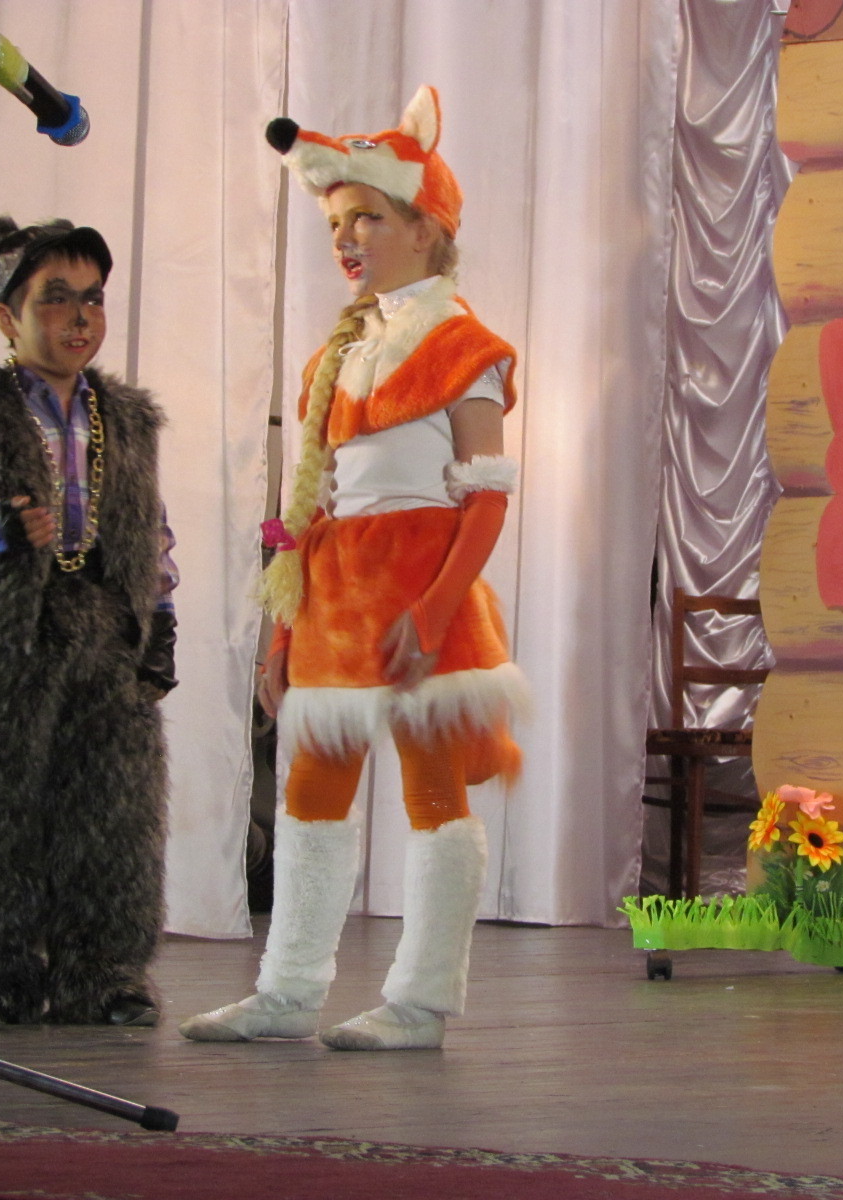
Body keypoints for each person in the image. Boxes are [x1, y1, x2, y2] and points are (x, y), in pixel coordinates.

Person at [181, 85, 526, 1052]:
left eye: (368, 216)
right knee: (310, 790)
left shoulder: (465, 349)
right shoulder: (335, 356)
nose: (348, 237)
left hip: (422, 587)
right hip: (337, 596)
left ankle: (420, 1004)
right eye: (337, 222)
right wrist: (280, 633)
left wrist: (438, 608)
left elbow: (486, 498)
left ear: (426, 227)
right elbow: (309, 506)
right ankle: (289, 991)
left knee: (432, 791)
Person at [0, 215, 176, 1028]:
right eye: (56, 298)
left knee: (112, 809)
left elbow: (151, 532)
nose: (80, 317)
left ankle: (106, 972)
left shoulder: (124, 418)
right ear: (6, 316)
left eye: (94, 299)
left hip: (104, 632)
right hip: (3, 637)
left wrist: (159, 623)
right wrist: (1, 525)